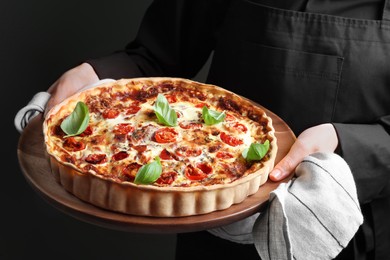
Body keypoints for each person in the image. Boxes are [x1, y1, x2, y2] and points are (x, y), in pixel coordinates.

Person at [43, 0, 390, 259]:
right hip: (214, 219)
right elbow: (155, 54)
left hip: (352, 231)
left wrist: (345, 145)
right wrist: (95, 73)